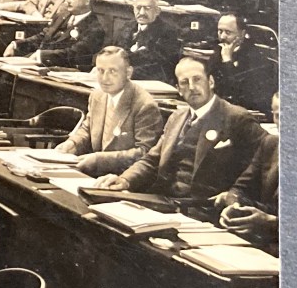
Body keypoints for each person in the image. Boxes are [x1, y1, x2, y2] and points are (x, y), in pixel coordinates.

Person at [97, 56, 267, 204]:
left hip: (204, 208)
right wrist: (125, 180)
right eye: (184, 82)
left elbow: (265, 162)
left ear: (211, 82)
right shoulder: (176, 117)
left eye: (197, 79)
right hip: (163, 200)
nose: (192, 87)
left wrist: (235, 195)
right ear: (178, 89)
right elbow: (152, 160)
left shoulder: (236, 117)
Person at [54, 46, 164, 176]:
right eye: (100, 71)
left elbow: (145, 153)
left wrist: (100, 159)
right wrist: (72, 143)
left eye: (112, 71)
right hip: (93, 173)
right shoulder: (97, 95)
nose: (105, 78)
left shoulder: (144, 105)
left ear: (128, 73)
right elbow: (87, 129)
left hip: (123, 178)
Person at [220, 92, 279, 249]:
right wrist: (234, 207)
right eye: (279, 116)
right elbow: (239, 189)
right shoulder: (271, 144)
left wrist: (273, 223)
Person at [4, 0, 106, 70]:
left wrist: (41, 55)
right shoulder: (62, 15)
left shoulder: (95, 29)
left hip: (60, 71)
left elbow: (72, 55)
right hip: (39, 64)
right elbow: (43, 36)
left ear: (87, 1)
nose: (68, 1)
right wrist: (16, 45)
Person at [208, 13, 276, 115]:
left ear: (242, 34)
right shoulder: (218, 51)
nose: (222, 37)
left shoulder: (255, 58)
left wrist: (227, 60)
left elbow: (239, 94)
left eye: (228, 32)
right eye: (220, 31)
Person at [113, 0, 180, 83]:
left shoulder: (167, 32)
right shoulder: (128, 26)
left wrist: (126, 72)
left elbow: (159, 67)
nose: (142, 13)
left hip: (148, 82)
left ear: (157, 11)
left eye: (147, 8)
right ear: (133, 9)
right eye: (138, 8)